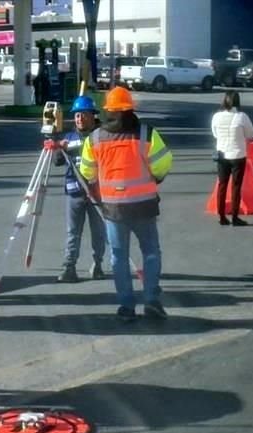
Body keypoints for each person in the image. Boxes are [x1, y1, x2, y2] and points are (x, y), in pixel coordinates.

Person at [79, 86, 173, 322]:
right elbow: (163, 164)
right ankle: (151, 300)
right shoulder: (146, 133)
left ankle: (126, 306)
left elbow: (87, 172)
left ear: (108, 110)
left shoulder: (96, 138)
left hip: (113, 207)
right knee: (150, 252)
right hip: (144, 205)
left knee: (118, 257)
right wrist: (155, 178)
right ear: (131, 109)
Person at [53, 95, 106, 283]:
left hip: (97, 192)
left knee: (99, 232)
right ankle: (69, 267)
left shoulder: (102, 136)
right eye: (76, 116)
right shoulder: (69, 136)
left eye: (83, 115)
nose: (79, 119)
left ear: (93, 116)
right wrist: (59, 148)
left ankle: (97, 264)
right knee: (72, 232)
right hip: (74, 191)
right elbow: (57, 161)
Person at [211, 90, 253, 227]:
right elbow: (251, 134)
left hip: (222, 154)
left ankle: (222, 216)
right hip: (237, 155)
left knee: (222, 185)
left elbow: (215, 133)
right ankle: (235, 217)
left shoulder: (217, 116)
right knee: (236, 187)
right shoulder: (242, 117)